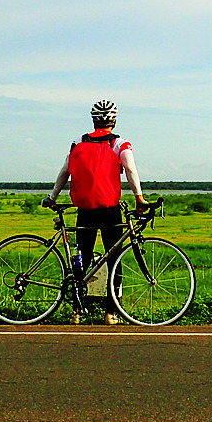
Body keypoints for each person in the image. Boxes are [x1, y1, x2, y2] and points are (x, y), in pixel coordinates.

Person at [42, 99, 146, 320]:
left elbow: (64, 170)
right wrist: (139, 197)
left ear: (94, 119)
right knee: (114, 259)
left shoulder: (79, 141)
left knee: (82, 257)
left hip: (85, 209)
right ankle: (111, 312)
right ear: (115, 121)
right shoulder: (120, 144)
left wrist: (53, 197)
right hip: (110, 211)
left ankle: (77, 311)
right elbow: (129, 168)